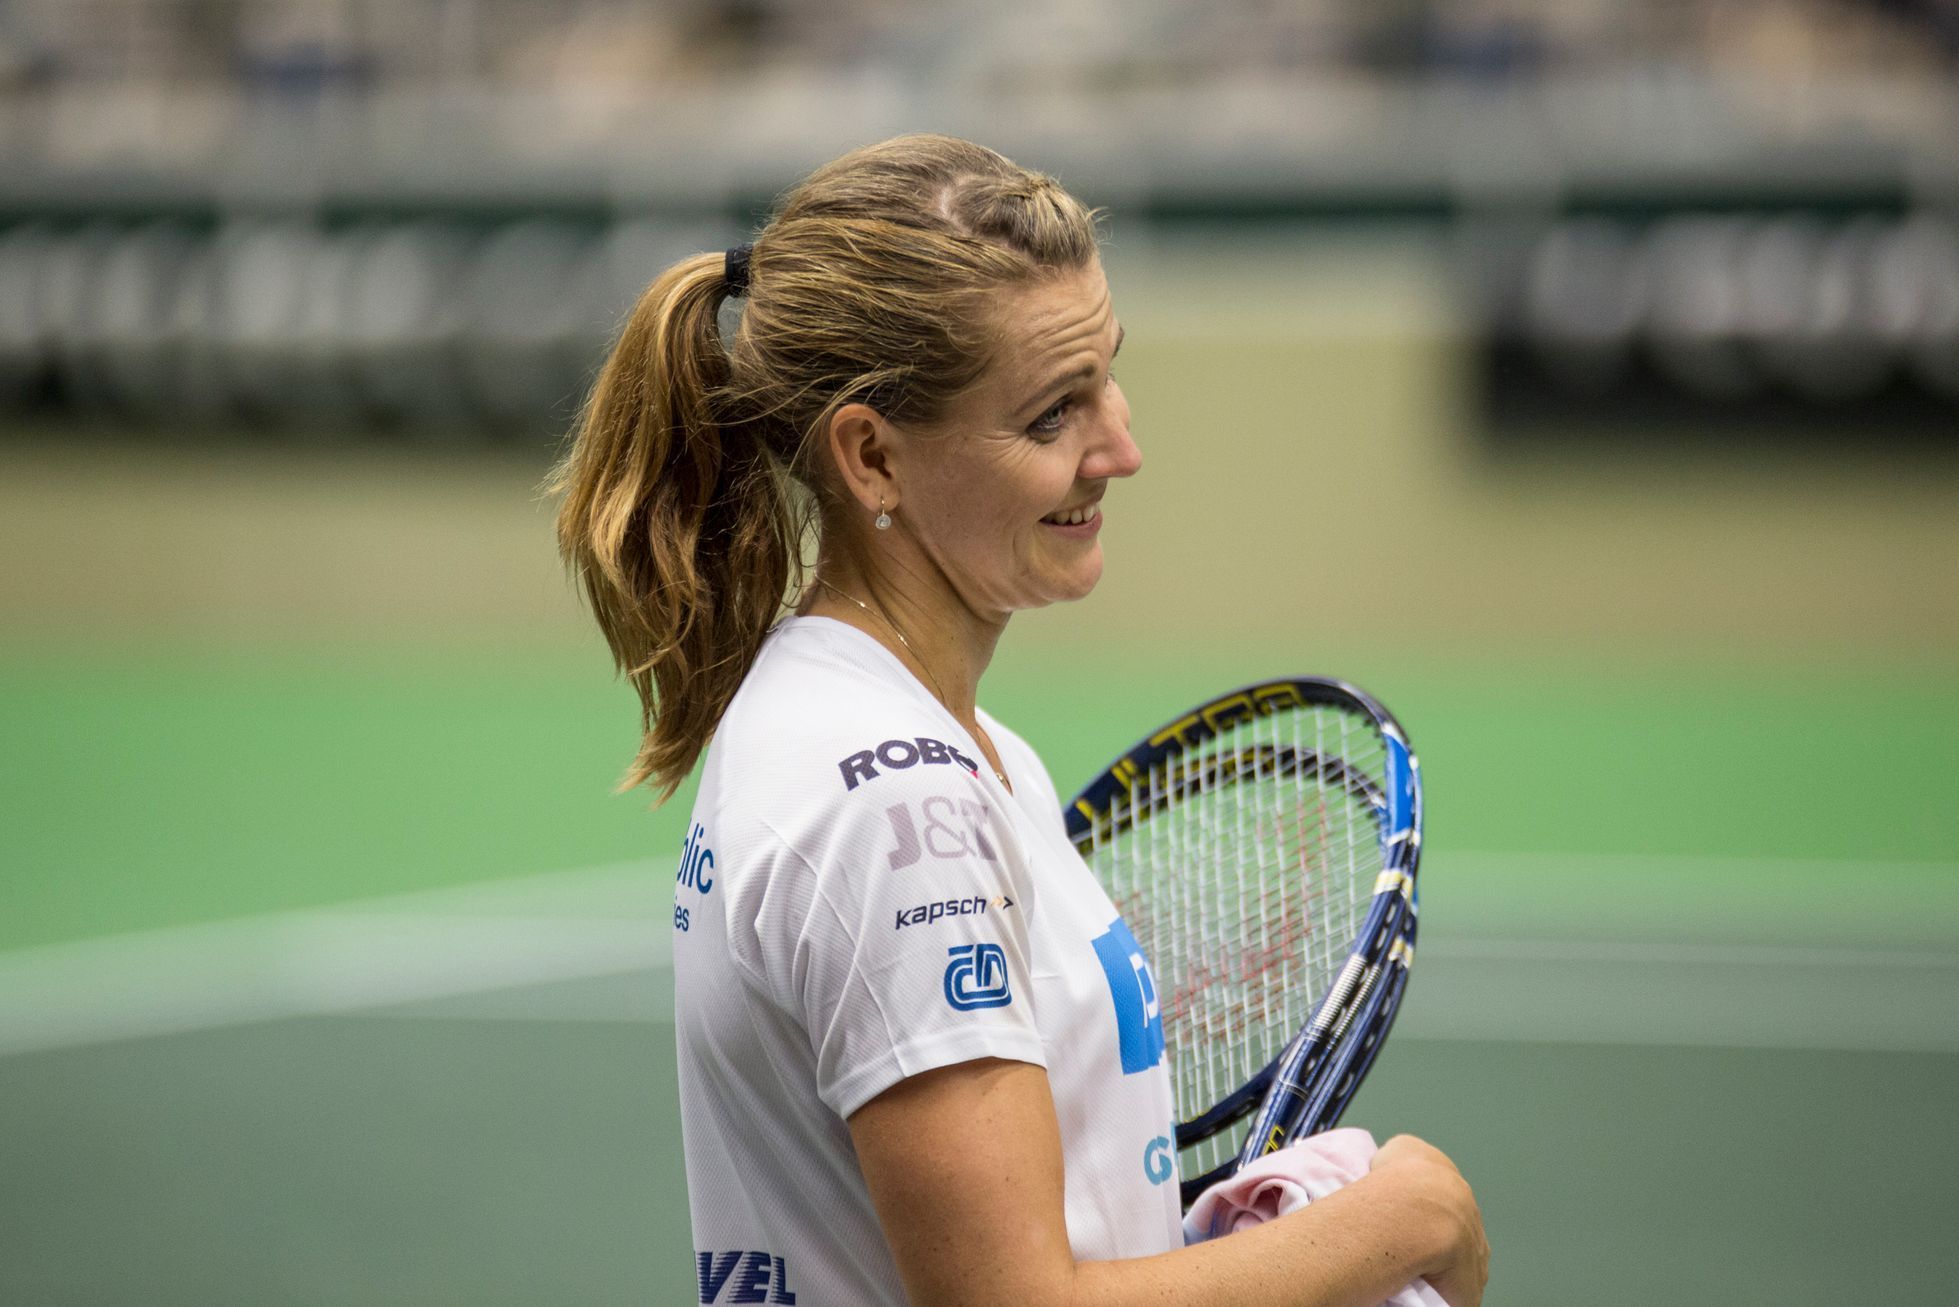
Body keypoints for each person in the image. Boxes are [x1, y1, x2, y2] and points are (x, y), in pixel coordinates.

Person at [547, 134, 1488, 1307]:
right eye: (1053, 414)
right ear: (872, 455)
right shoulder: (899, 805)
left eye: (1109, 374)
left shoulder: (932, 750)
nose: (1123, 448)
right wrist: (1403, 1217)